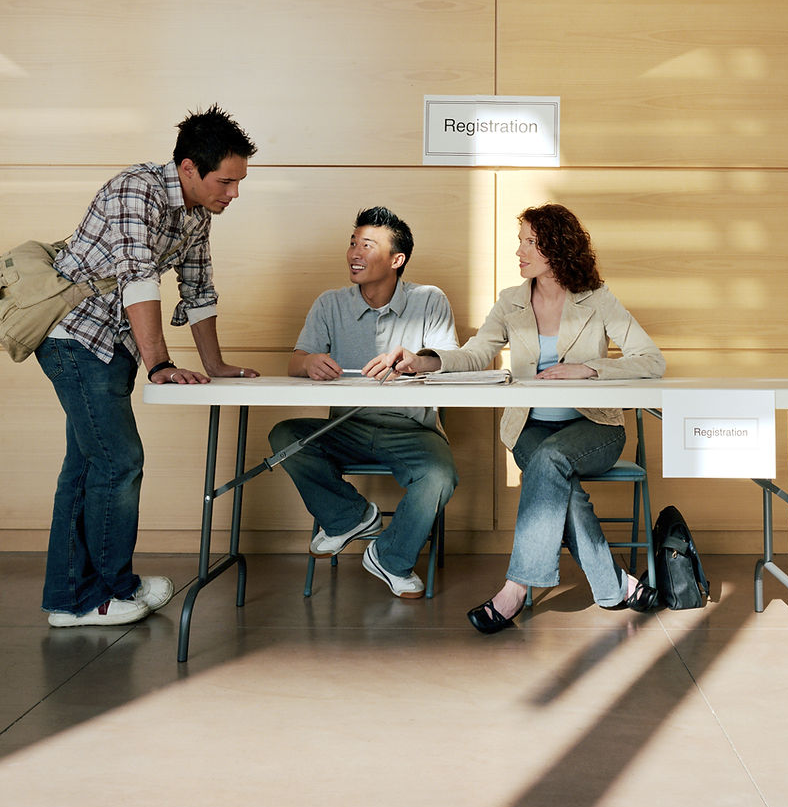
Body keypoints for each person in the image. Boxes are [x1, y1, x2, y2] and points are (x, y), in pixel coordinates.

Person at [376, 202, 665, 633]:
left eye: (530, 241)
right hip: (530, 428)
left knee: (550, 465)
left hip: (595, 428)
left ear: (557, 247)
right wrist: (424, 362)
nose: (520, 251)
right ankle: (614, 586)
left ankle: (513, 590)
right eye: (520, 241)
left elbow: (651, 360)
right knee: (557, 480)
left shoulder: (597, 300)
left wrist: (589, 369)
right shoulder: (511, 301)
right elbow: (477, 352)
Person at [37, 105, 259, 628]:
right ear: (188, 169)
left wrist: (215, 363)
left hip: (114, 345)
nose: (233, 193)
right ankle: (109, 593)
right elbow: (137, 276)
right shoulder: (135, 190)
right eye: (226, 182)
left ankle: (70, 599)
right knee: (118, 461)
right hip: (75, 338)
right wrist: (159, 363)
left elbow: (198, 288)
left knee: (87, 465)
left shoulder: (196, 212)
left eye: (238, 183)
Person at [269, 207, 459, 599]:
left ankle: (389, 558)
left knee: (440, 476)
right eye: (352, 243)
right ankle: (352, 517)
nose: (355, 252)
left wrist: (415, 362)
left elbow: (450, 367)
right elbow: (294, 361)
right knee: (285, 435)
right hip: (345, 429)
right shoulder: (329, 304)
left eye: (367, 245)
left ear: (396, 259)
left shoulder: (430, 300)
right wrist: (308, 362)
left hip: (412, 430)